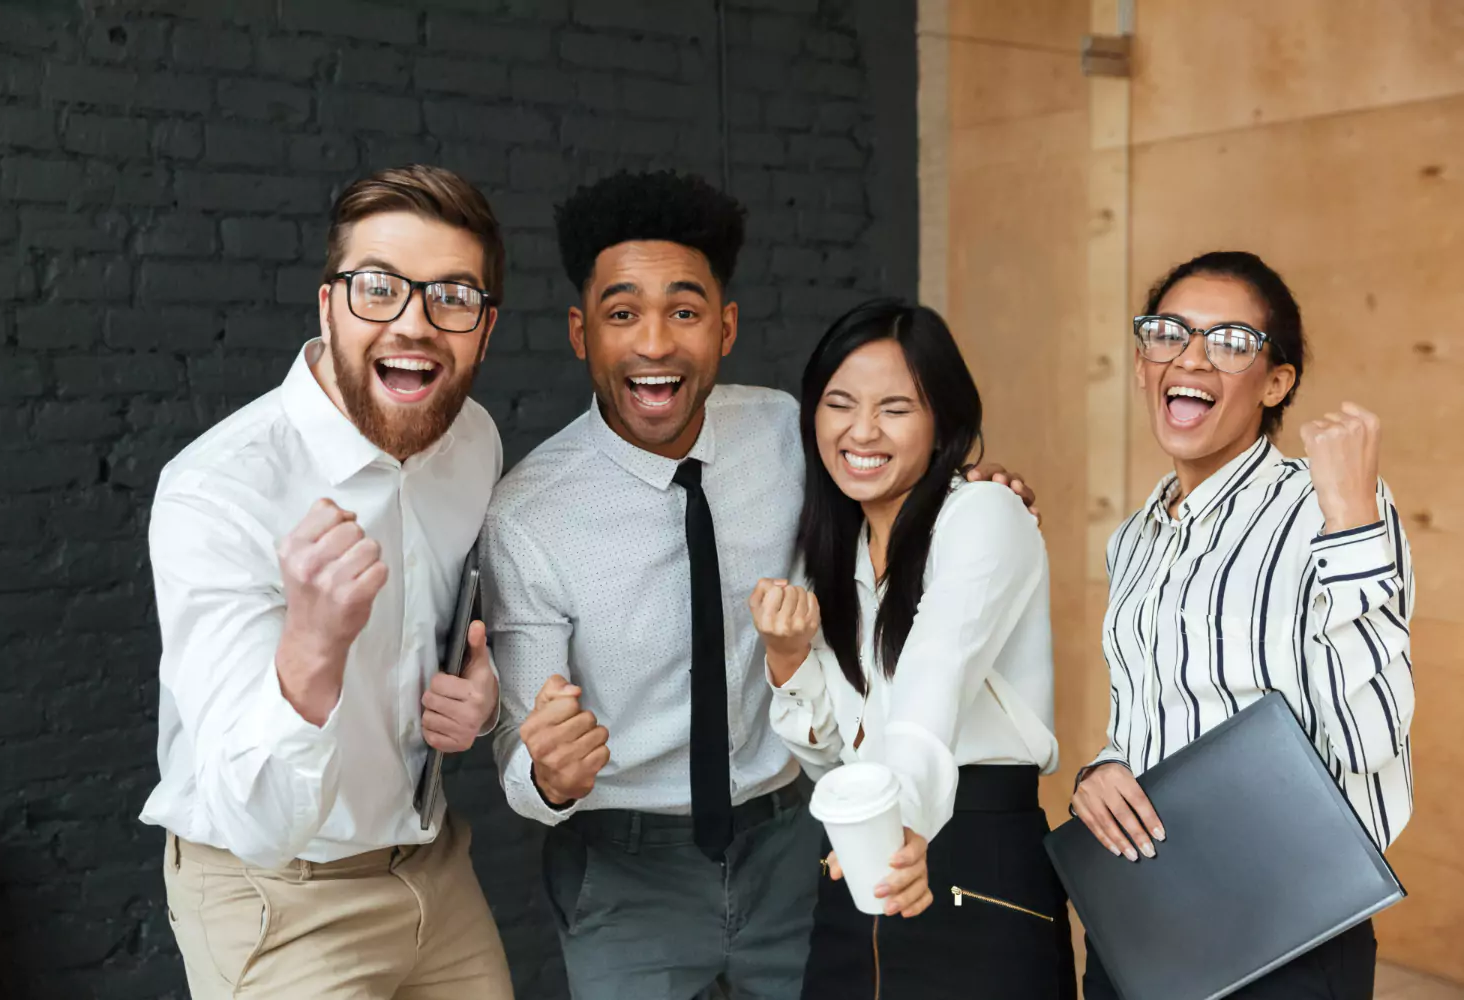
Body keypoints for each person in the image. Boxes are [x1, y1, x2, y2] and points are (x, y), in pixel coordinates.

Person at [481, 170, 1036, 999]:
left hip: (792, 843)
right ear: (580, 332)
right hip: (627, 874)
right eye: (622, 312)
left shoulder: (785, 431)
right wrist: (546, 774)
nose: (656, 343)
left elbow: (881, 484)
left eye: (685, 310)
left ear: (726, 326)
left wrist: (966, 491)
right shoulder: (529, 515)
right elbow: (521, 752)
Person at [141, 165, 514, 999]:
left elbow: (455, 629)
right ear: (327, 306)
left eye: (452, 296)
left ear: (485, 331)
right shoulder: (219, 488)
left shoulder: (475, 443)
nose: (414, 324)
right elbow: (260, 822)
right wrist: (311, 646)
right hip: (275, 895)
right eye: (378, 287)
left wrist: (482, 695)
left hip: (433, 867)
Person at [1070, 251, 1414, 999]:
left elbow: (1372, 739)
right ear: (1142, 363)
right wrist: (1102, 771)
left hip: (1284, 935)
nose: (1190, 358)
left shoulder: (1330, 509)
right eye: (1170, 335)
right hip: (1142, 924)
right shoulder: (1134, 536)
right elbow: (1148, 715)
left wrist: (1354, 521)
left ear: (1277, 381)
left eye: (1228, 343)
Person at [749, 299, 1076, 998]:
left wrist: (903, 820)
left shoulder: (985, 515)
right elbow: (836, 756)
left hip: (973, 854)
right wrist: (788, 660)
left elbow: (937, 673)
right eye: (839, 403)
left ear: (944, 423)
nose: (861, 430)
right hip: (862, 855)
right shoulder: (826, 556)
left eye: (895, 408)